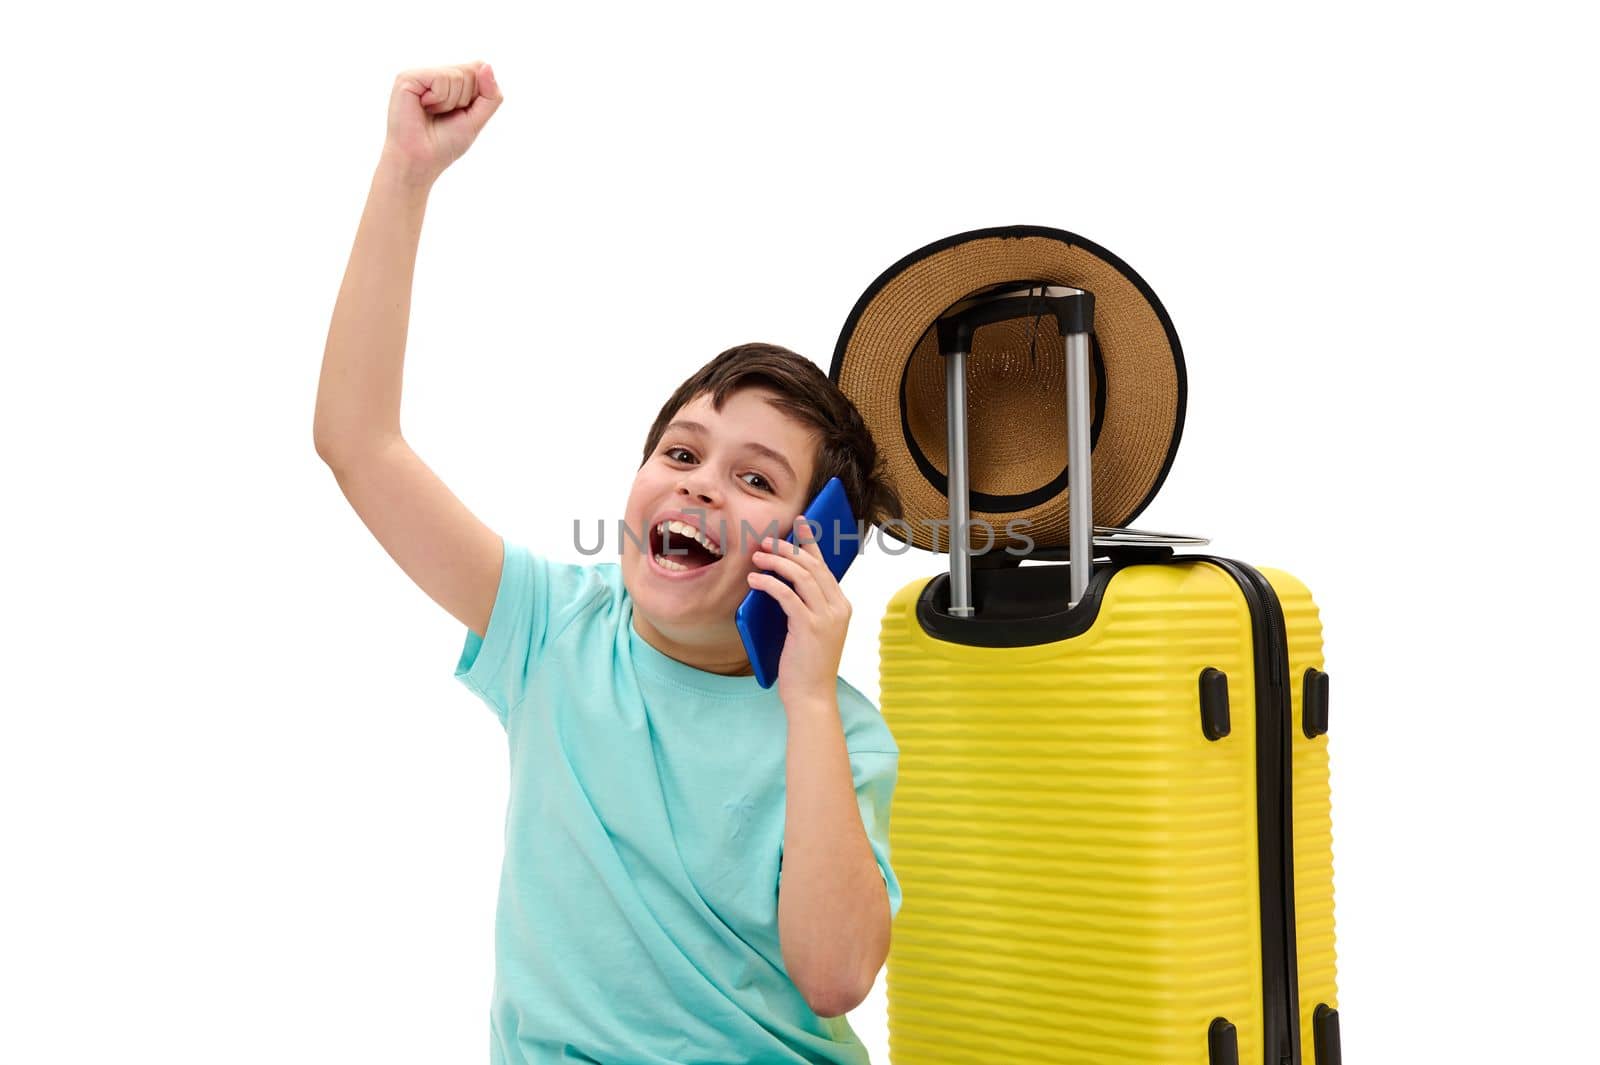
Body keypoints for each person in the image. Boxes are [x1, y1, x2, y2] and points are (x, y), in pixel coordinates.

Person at [313, 61, 906, 1065]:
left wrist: (805, 703)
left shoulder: (839, 735)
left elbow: (835, 975)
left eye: (756, 480)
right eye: (679, 453)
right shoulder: (552, 629)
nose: (699, 485)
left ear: (818, 545)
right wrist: (406, 177)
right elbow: (356, 442)